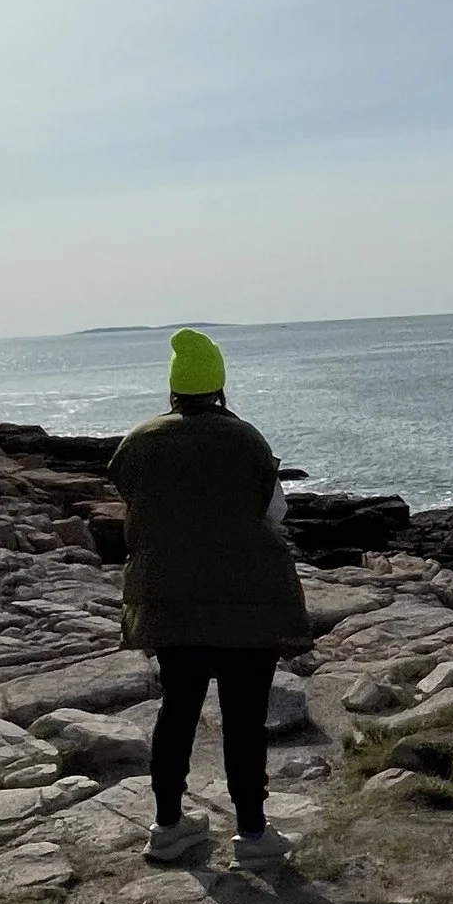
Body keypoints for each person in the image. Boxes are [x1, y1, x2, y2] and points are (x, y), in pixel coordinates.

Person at [108, 328, 312, 872]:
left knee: (178, 708)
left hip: (168, 598)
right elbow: (274, 513)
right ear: (218, 386)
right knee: (244, 716)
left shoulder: (139, 441)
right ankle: (251, 833)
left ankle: (168, 827)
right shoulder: (244, 438)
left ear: (173, 390)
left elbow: (133, 500)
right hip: (248, 595)